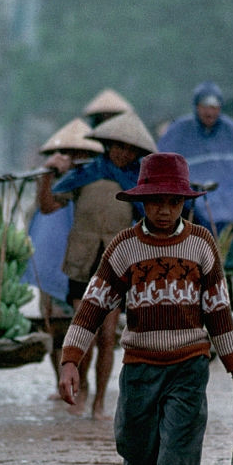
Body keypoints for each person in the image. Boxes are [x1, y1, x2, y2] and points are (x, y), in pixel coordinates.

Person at [58, 152, 233, 465]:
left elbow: (219, 311)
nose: (165, 210)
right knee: (135, 453)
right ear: (141, 203)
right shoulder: (124, 247)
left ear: (184, 202)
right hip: (140, 367)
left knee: (179, 454)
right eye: (156, 202)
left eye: (173, 201)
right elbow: (93, 305)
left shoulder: (202, 245)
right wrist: (70, 359)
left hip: (189, 365)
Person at [43, 110, 157, 420]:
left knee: (108, 338)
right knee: (87, 337)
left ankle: (99, 404)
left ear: (136, 152)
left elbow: (155, 221)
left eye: (129, 148)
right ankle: (81, 396)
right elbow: (48, 204)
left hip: (117, 268)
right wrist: (48, 174)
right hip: (83, 263)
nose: (123, 152)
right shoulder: (84, 174)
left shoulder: (138, 183)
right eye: (117, 146)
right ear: (106, 145)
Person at [156, 81, 233, 289]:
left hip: (229, 200)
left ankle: (229, 281)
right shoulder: (180, 129)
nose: (210, 111)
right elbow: (160, 162)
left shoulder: (230, 129)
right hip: (192, 200)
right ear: (196, 106)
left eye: (215, 106)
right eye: (205, 106)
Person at [21, 118, 104, 396]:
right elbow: (44, 208)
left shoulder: (97, 178)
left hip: (85, 261)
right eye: (68, 153)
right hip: (55, 263)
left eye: (81, 154)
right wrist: (47, 173)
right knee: (56, 328)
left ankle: (84, 380)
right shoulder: (54, 180)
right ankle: (63, 383)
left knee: (84, 327)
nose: (74, 159)